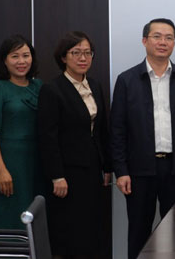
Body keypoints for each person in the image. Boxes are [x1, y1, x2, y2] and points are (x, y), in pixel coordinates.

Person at [110, 18, 175, 259]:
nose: (163, 42)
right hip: (139, 170)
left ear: (174, 43)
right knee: (139, 231)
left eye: (169, 37)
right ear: (145, 40)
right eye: (157, 36)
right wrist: (121, 170)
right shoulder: (127, 80)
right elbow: (117, 130)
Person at [37, 31, 111, 258]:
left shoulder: (95, 86)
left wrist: (107, 166)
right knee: (72, 230)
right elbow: (47, 137)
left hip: (92, 170)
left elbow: (101, 130)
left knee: (93, 228)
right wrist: (56, 175)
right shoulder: (53, 89)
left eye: (88, 53)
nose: (83, 58)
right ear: (63, 57)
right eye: (76, 53)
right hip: (67, 174)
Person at [0, 35, 42, 230]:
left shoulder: (38, 87)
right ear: (4, 60)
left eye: (26, 55)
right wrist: (1, 170)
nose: (22, 61)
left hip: (34, 163)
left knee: (33, 220)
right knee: (7, 218)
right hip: (8, 163)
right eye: (15, 56)